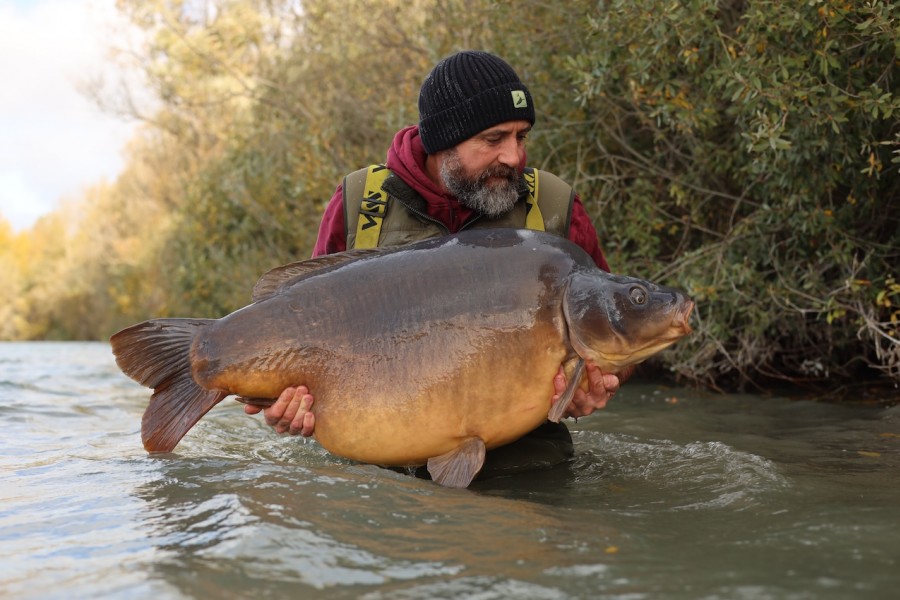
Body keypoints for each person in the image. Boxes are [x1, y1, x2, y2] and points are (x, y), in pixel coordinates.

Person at [245, 50, 630, 479]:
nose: (514, 156)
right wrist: (287, 410)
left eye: (521, 137)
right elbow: (307, 332)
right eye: (493, 139)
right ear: (443, 140)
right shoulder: (360, 203)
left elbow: (619, 329)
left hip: (526, 477)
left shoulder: (555, 207)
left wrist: (594, 387)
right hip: (377, 483)